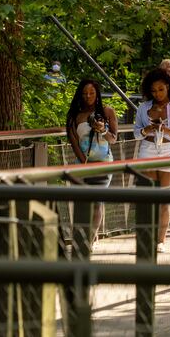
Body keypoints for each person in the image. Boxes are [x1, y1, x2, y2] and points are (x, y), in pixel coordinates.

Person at [134, 68, 170, 252]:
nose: (157, 94)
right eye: (153, 91)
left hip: (167, 150)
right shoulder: (143, 108)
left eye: (160, 89)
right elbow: (136, 133)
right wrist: (146, 130)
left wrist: (167, 131)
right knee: (149, 198)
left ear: (168, 87)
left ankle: (161, 240)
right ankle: (147, 237)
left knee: (164, 198)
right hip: (147, 151)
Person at [66, 78, 118, 243]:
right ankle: (86, 236)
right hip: (83, 165)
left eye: (92, 93)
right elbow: (74, 143)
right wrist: (84, 163)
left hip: (103, 163)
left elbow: (113, 139)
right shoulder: (75, 116)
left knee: (96, 202)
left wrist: (102, 130)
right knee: (82, 204)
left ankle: (87, 241)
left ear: (97, 94)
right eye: (85, 93)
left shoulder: (107, 111)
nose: (88, 96)